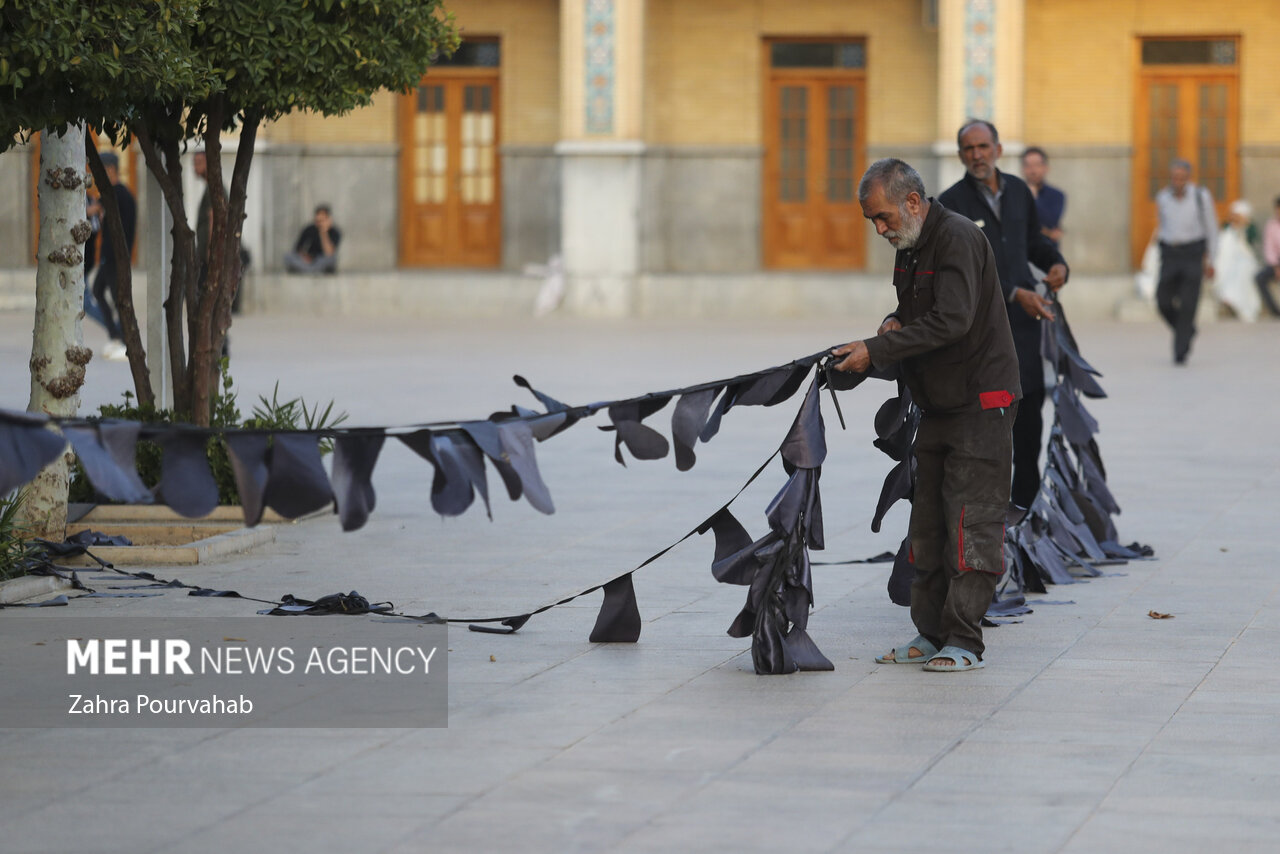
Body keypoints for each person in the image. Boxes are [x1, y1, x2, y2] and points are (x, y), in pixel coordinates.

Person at [832, 158, 1021, 673]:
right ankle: (931, 631)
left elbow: (953, 320)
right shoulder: (910, 246)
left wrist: (877, 350)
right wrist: (893, 324)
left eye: (884, 217)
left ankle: (965, 639)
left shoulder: (957, 237)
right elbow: (917, 314)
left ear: (913, 202)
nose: (880, 229)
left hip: (981, 404)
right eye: (872, 221)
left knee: (969, 521)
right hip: (938, 402)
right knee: (928, 523)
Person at [938, 120, 1067, 510]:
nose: (977, 154)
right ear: (961, 155)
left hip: (1025, 331)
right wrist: (1013, 293)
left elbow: (1033, 242)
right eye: (969, 149)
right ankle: (983, 514)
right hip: (982, 335)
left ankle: (1025, 512)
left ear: (998, 148)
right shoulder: (950, 203)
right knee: (989, 420)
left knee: (1029, 420)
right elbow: (960, 271)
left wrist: (1056, 263)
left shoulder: (1018, 193)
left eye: (983, 146)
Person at [1155, 159, 1217, 364]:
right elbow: (1162, 226)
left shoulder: (1201, 196)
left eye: (1182, 178)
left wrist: (1212, 260)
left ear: (1188, 178)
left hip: (1193, 253)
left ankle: (1180, 351)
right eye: (1175, 178)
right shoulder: (1163, 197)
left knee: (1188, 305)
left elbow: (1211, 229)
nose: (1178, 181)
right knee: (1162, 300)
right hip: (1170, 253)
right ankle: (1187, 330)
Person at [90, 151, 136, 361]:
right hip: (110, 256)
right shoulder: (112, 194)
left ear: (110, 169)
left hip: (116, 256)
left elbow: (95, 210)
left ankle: (128, 342)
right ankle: (116, 335)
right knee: (99, 290)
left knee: (120, 300)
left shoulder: (119, 194)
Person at [1212, 199, 1262, 322]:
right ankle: (1227, 298)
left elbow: (1252, 245)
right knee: (1225, 269)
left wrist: (1242, 228)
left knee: (1242, 272)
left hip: (1245, 260)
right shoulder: (1227, 226)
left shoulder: (1250, 228)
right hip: (1227, 259)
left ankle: (1237, 301)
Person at [1021, 146, 1066, 247]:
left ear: (1046, 168)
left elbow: (1050, 222)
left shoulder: (1057, 195)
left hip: (1048, 250)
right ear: (1023, 169)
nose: (1033, 171)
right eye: (1028, 165)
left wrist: (1034, 198)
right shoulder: (1015, 193)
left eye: (1037, 165)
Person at [284, 205, 341, 273]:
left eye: (322, 220)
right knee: (288, 256)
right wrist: (305, 257)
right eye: (318, 220)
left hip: (322, 260)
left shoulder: (335, 232)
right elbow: (298, 248)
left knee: (332, 259)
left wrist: (323, 232)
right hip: (308, 261)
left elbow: (329, 253)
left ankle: (309, 270)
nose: (320, 223)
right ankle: (311, 270)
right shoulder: (309, 229)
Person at [1255, 196, 1280, 318]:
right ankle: (1275, 311)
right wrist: (1276, 267)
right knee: (1259, 278)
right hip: (1276, 262)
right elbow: (1268, 248)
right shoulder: (1271, 225)